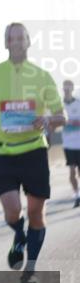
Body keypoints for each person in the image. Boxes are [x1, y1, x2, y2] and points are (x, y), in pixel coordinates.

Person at [0, 23, 65, 283]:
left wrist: (48, 119)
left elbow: (61, 116)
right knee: (13, 210)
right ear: (5, 43)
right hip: (1, 152)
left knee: (37, 212)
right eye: (11, 38)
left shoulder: (42, 76)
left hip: (33, 150)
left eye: (20, 38)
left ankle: (30, 269)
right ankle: (18, 234)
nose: (16, 42)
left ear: (28, 42)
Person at [62, 80, 80, 208]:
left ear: (72, 88)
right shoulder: (59, 105)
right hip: (68, 144)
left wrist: (73, 122)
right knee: (72, 171)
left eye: (69, 87)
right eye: (65, 87)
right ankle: (77, 195)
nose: (66, 89)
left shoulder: (78, 103)